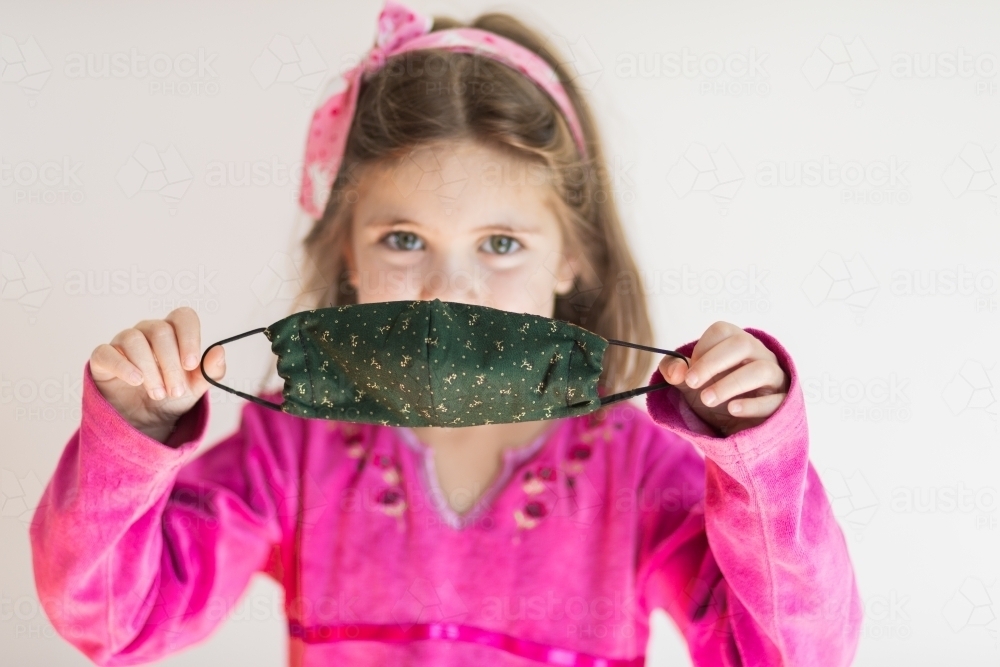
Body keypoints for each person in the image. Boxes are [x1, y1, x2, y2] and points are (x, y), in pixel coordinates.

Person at [29, 1, 863, 665]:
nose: (447, 291)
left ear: (572, 255)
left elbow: (795, 653)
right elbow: (114, 624)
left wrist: (757, 457)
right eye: (403, 240)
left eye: (501, 244)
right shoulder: (292, 448)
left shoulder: (639, 473)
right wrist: (133, 438)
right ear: (347, 255)